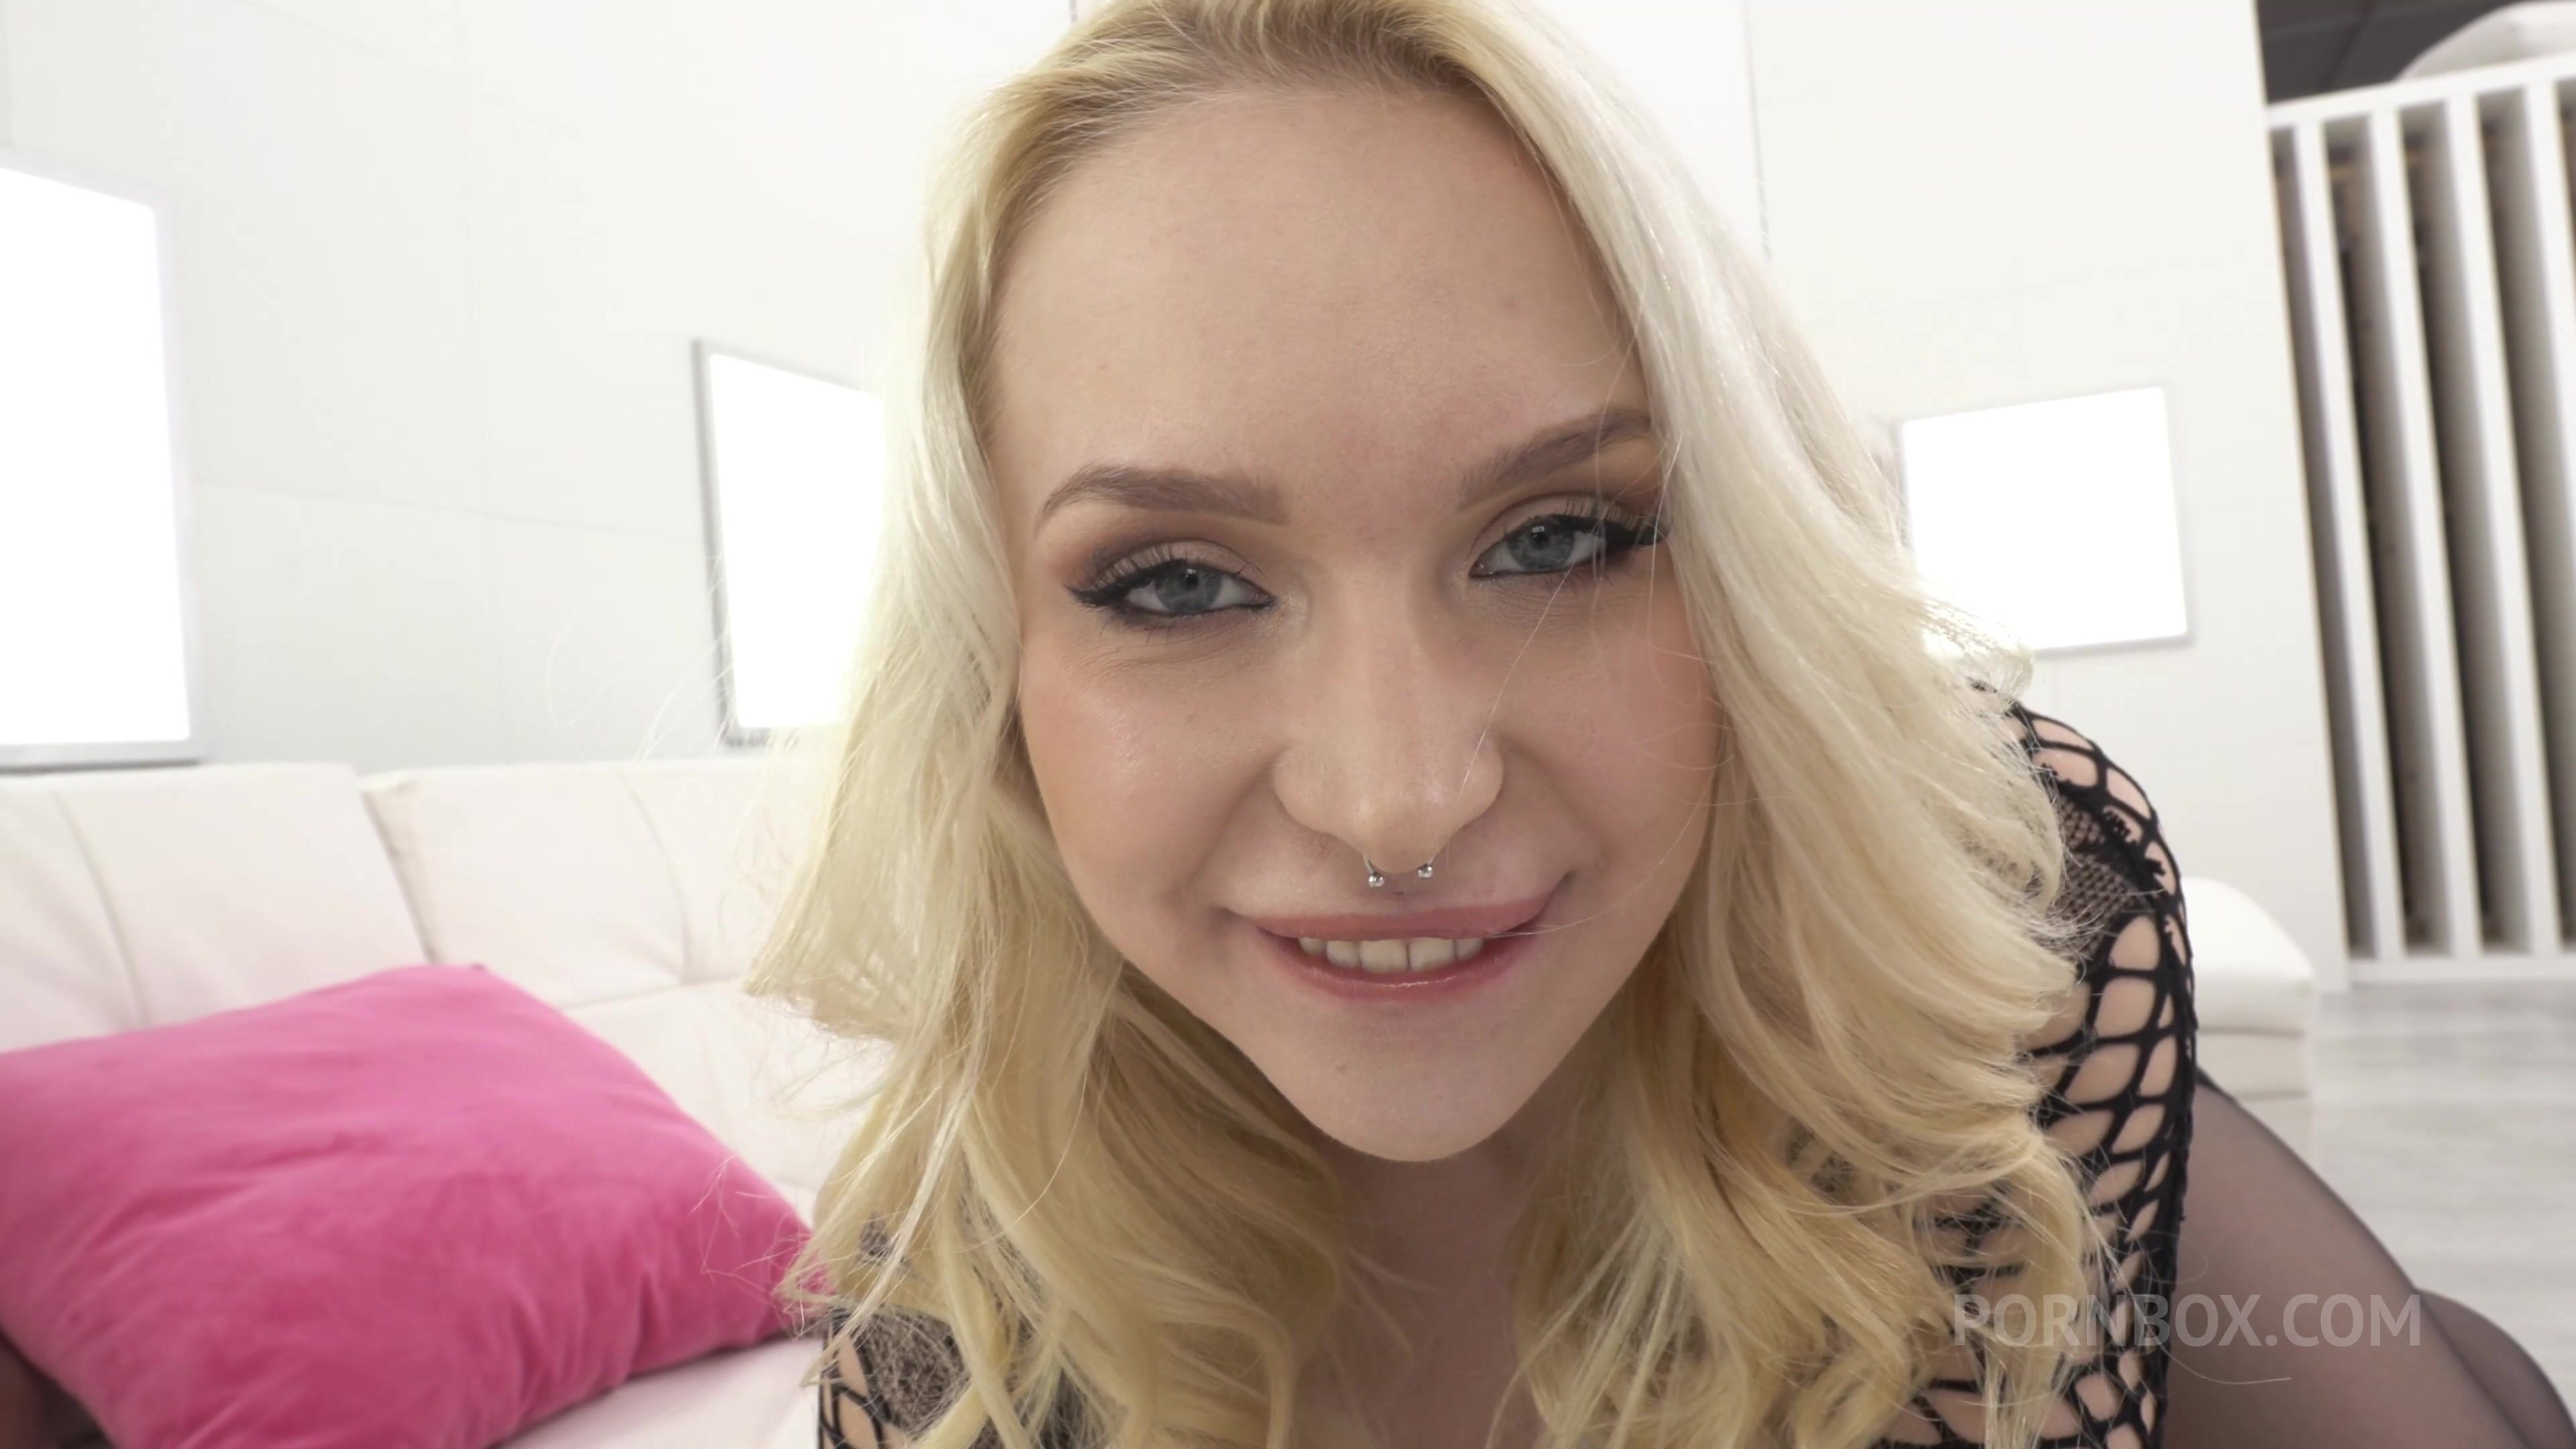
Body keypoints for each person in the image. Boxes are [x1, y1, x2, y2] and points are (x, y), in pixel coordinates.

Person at [746, 1, 2576, 1446]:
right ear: (990, 669)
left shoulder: (1984, 965)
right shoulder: (947, 1328)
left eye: (1559, 538)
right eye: (1173, 584)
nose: (1400, 799)